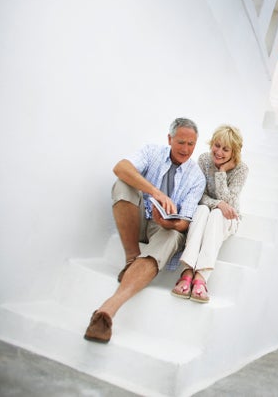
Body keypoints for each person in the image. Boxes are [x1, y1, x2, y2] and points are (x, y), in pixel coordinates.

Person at [84, 117, 206, 343]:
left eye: (191, 144)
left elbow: (185, 222)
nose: (186, 149)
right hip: (138, 219)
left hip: (163, 229)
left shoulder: (197, 177)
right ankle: (131, 258)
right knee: (122, 184)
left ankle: (106, 312)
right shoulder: (152, 152)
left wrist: (170, 223)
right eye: (181, 142)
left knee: (173, 235)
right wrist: (156, 193)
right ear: (169, 139)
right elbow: (120, 167)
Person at [171, 125, 248, 303]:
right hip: (204, 212)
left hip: (227, 219)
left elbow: (230, 204)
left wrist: (221, 172)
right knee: (202, 209)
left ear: (233, 152)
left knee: (216, 214)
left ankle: (201, 278)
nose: (219, 152)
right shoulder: (204, 160)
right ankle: (187, 271)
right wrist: (217, 204)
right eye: (217, 145)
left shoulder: (241, 169)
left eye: (225, 149)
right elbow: (198, 195)